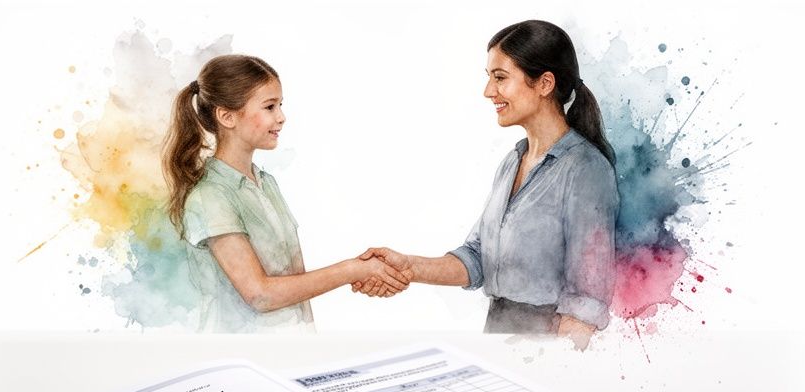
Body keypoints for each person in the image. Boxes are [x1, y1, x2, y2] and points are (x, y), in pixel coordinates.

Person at [355, 21, 618, 347]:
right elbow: (478, 258)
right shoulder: (513, 161)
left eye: (500, 78)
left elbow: (586, 301)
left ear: (544, 83)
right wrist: (407, 267)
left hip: (544, 344)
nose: (488, 91)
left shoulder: (586, 169)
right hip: (498, 335)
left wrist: (556, 369)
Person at [162, 54, 409, 332]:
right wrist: (352, 270)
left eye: (280, 105)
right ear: (227, 116)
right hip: (243, 359)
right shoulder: (210, 196)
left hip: (288, 352)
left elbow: (294, 283)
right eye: (269, 107)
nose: (281, 117)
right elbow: (259, 294)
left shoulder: (266, 184)